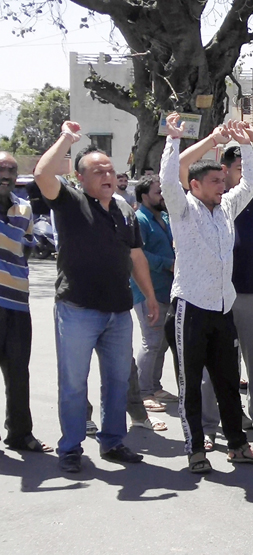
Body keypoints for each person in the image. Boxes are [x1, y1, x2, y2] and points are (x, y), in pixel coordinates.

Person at [34, 121, 158, 473]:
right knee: (74, 383)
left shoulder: (124, 210)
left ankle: (113, 442)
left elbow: (136, 256)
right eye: (98, 171)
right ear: (80, 178)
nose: (107, 175)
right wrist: (66, 138)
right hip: (77, 309)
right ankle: (71, 447)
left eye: (110, 170)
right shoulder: (71, 201)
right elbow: (43, 173)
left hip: (118, 312)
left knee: (117, 382)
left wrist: (149, 296)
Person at [159, 115, 253, 472]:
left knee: (227, 383)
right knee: (191, 385)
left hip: (223, 311)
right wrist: (174, 140)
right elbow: (168, 178)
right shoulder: (182, 209)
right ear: (194, 185)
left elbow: (252, 181)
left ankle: (237, 446)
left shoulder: (226, 208)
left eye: (223, 181)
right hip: (189, 310)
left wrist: (248, 144)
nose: (222, 186)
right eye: (215, 182)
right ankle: (196, 450)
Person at [0, 151, 49, 453]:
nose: (5, 175)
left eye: (11, 170)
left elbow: (27, 247)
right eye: (1, 169)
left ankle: (19, 433)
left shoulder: (25, 209)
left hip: (18, 304)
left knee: (19, 372)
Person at [129, 176, 176, 429]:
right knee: (151, 341)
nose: (163, 196)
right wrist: (167, 264)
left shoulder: (164, 217)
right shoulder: (140, 219)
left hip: (166, 290)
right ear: (144, 195)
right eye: (159, 192)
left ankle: (154, 387)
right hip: (147, 290)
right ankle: (143, 392)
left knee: (162, 342)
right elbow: (139, 254)